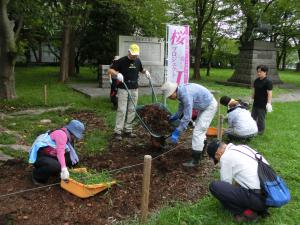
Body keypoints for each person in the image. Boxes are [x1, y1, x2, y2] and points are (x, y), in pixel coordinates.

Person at [207, 140, 269, 222]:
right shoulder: (243, 147)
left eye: (217, 159)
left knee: (215, 186)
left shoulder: (225, 157)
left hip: (258, 200)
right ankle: (260, 208)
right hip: (269, 195)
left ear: (217, 154)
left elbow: (225, 185)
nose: (219, 160)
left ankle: (249, 213)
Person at [161, 82, 217, 167]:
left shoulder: (186, 94)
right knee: (200, 129)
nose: (169, 98)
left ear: (173, 91)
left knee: (198, 131)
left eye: (169, 96)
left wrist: (178, 130)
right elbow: (181, 109)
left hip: (209, 106)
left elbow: (187, 116)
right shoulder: (181, 92)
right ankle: (201, 151)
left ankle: (195, 161)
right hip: (203, 106)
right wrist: (175, 117)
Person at [108, 43, 151, 141]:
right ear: (129, 52)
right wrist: (117, 74)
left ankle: (128, 130)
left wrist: (146, 72)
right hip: (123, 88)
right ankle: (118, 131)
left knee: (132, 109)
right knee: (122, 110)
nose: (134, 56)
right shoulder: (121, 61)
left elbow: (141, 69)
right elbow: (110, 70)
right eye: (133, 54)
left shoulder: (137, 60)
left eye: (136, 54)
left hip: (134, 88)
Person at [29, 120, 85, 185]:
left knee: (72, 161)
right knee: (55, 166)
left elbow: (68, 154)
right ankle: (37, 176)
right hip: (40, 156)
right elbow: (60, 153)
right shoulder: (61, 135)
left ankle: (54, 172)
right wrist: (64, 169)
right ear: (72, 133)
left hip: (51, 154)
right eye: (75, 136)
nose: (76, 138)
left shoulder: (68, 136)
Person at [251, 65, 273, 135]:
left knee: (261, 119)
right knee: (253, 117)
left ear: (265, 72)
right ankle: (252, 129)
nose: (258, 73)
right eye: (258, 72)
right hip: (256, 102)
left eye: (260, 72)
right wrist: (251, 98)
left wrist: (269, 103)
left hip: (263, 103)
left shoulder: (268, 82)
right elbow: (254, 90)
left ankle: (260, 131)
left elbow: (269, 93)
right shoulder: (256, 80)